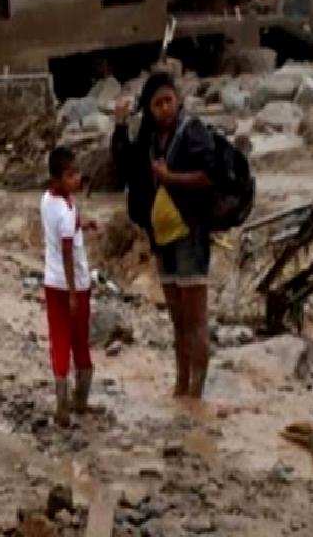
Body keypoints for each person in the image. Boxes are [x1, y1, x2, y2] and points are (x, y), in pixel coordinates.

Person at [112, 71, 216, 399]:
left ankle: (196, 392)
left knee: (195, 319)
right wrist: (118, 124)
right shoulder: (150, 141)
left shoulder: (192, 133)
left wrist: (171, 178)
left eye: (168, 101)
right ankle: (181, 385)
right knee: (177, 319)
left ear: (178, 100)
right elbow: (125, 166)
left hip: (190, 234)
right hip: (163, 239)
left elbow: (209, 175)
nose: (164, 109)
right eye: (157, 104)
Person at [41, 147, 100, 427]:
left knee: (59, 340)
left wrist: (83, 223)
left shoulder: (49, 201)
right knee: (79, 341)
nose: (77, 178)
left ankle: (62, 403)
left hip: (52, 283)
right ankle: (80, 401)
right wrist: (75, 291)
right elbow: (66, 250)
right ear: (57, 178)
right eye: (71, 174)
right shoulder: (65, 211)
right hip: (73, 284)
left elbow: (67, 225)